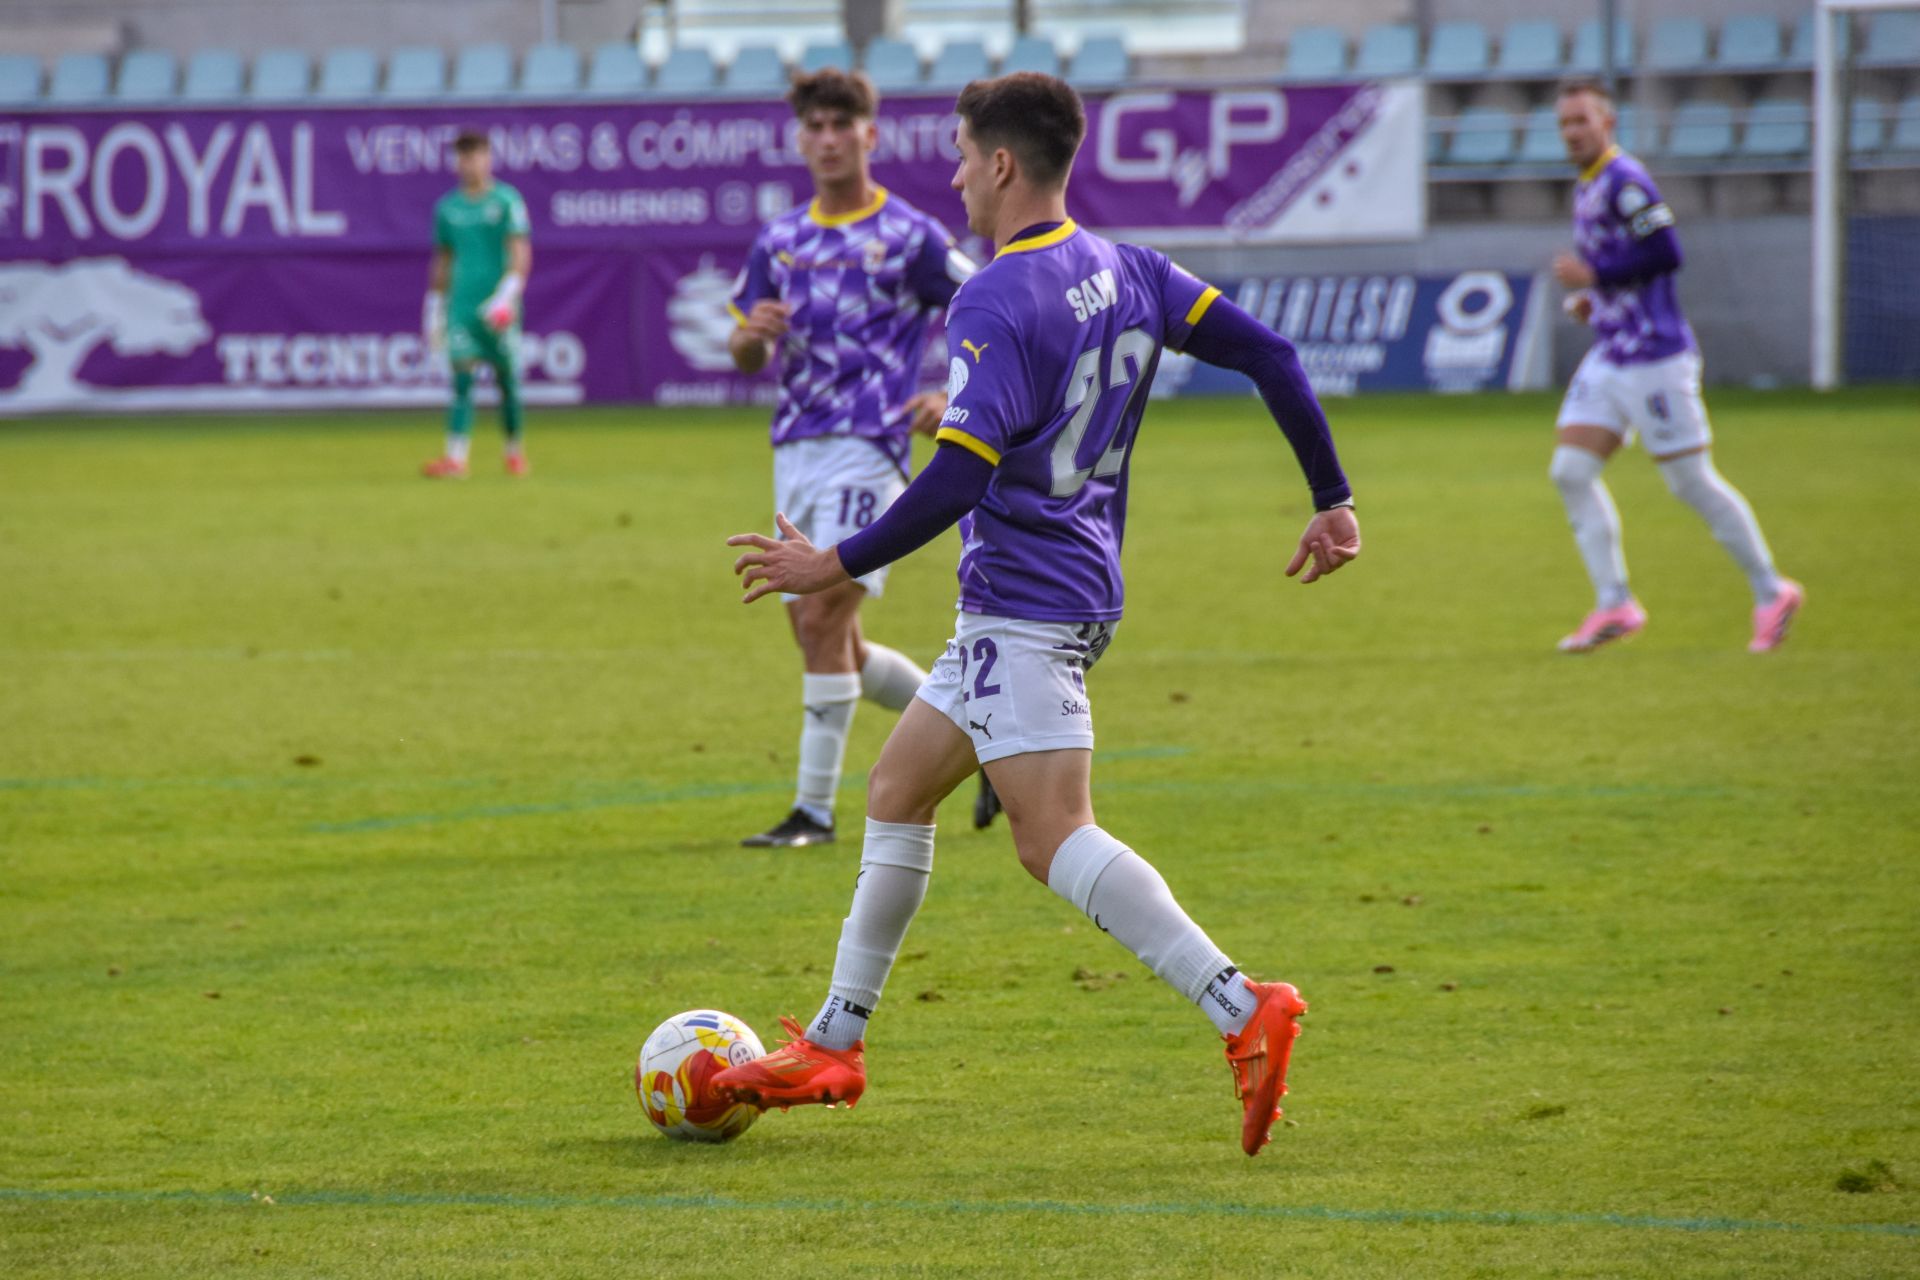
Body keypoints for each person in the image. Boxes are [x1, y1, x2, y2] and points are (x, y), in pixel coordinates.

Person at [717, 73, 1360, 1155]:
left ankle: (1241, 1003)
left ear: (1003, 163)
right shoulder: (1130, 268)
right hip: (1049, 591)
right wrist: (1331, 498)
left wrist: (827, 561)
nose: (958, 177)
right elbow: (1271, 353)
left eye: (966, 157)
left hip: (1030, 598)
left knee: (1050, 832)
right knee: (897, 786)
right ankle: (837, 1037)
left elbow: (958, 477)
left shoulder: (997, 296)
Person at [728, 68, 988, 848]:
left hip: (870, 448)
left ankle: (812, 811)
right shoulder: (780, 240)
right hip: (796, 448)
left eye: (845, 125)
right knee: (830, 642)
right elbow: (742, 351)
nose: (831, 139)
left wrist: (954, 398)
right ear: (801, 138)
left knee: (820, 614)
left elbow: (987, 303)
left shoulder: (907, 235)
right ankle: (979, 740)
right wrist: (749, 337)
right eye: (817, 126)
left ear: (870, 136)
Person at [1549, 80, 1802, 653]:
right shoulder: (1587, 188)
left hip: (1656, 358)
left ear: (1607, 123)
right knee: (1570, 471)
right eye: (1564, 123)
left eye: (1582, 120)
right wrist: (1595, 301)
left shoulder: (1625, 180)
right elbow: (1624, 267)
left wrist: (1595, 279)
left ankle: (1772, 591)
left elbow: (1666, 252)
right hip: (1613, 353)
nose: (1572, 132)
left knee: (1689, 481)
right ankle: (1614, 603)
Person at [421, 130, 532, 478]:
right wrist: (435, 307)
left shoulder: (506, 201)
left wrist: (506, 297)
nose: (469, 163)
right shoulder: (447, 208)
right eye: (463, 157)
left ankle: (514, 452)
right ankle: (456, 458)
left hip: (498, 308)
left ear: (488, 158)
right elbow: (443, 259)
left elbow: (521, 253)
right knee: (462, 379)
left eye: (476, 155)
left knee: (507, 381)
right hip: (463, 308)